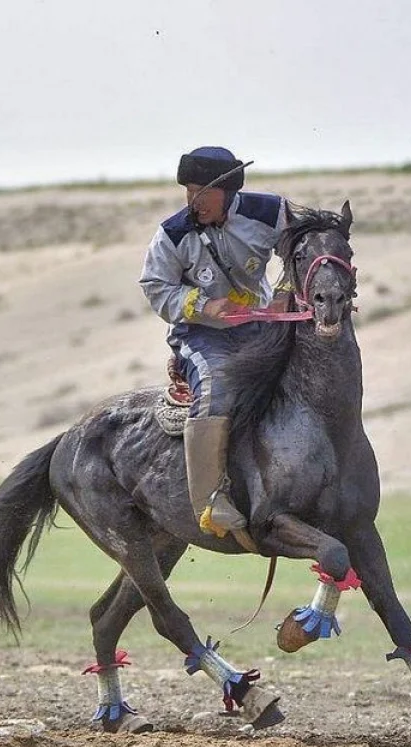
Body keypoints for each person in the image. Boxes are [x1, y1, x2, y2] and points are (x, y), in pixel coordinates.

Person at [139, 147, 289, 544]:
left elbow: (304, 247)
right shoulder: (172, 234)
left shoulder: (272, 212)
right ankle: (210, 501)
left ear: (227, 189)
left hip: (260, 324)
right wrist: (205, 307)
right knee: (217, 380)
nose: (193, 201)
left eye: (200, 192)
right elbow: (156, 288)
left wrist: (285, 292)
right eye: (187, 191)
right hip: (199, 334)